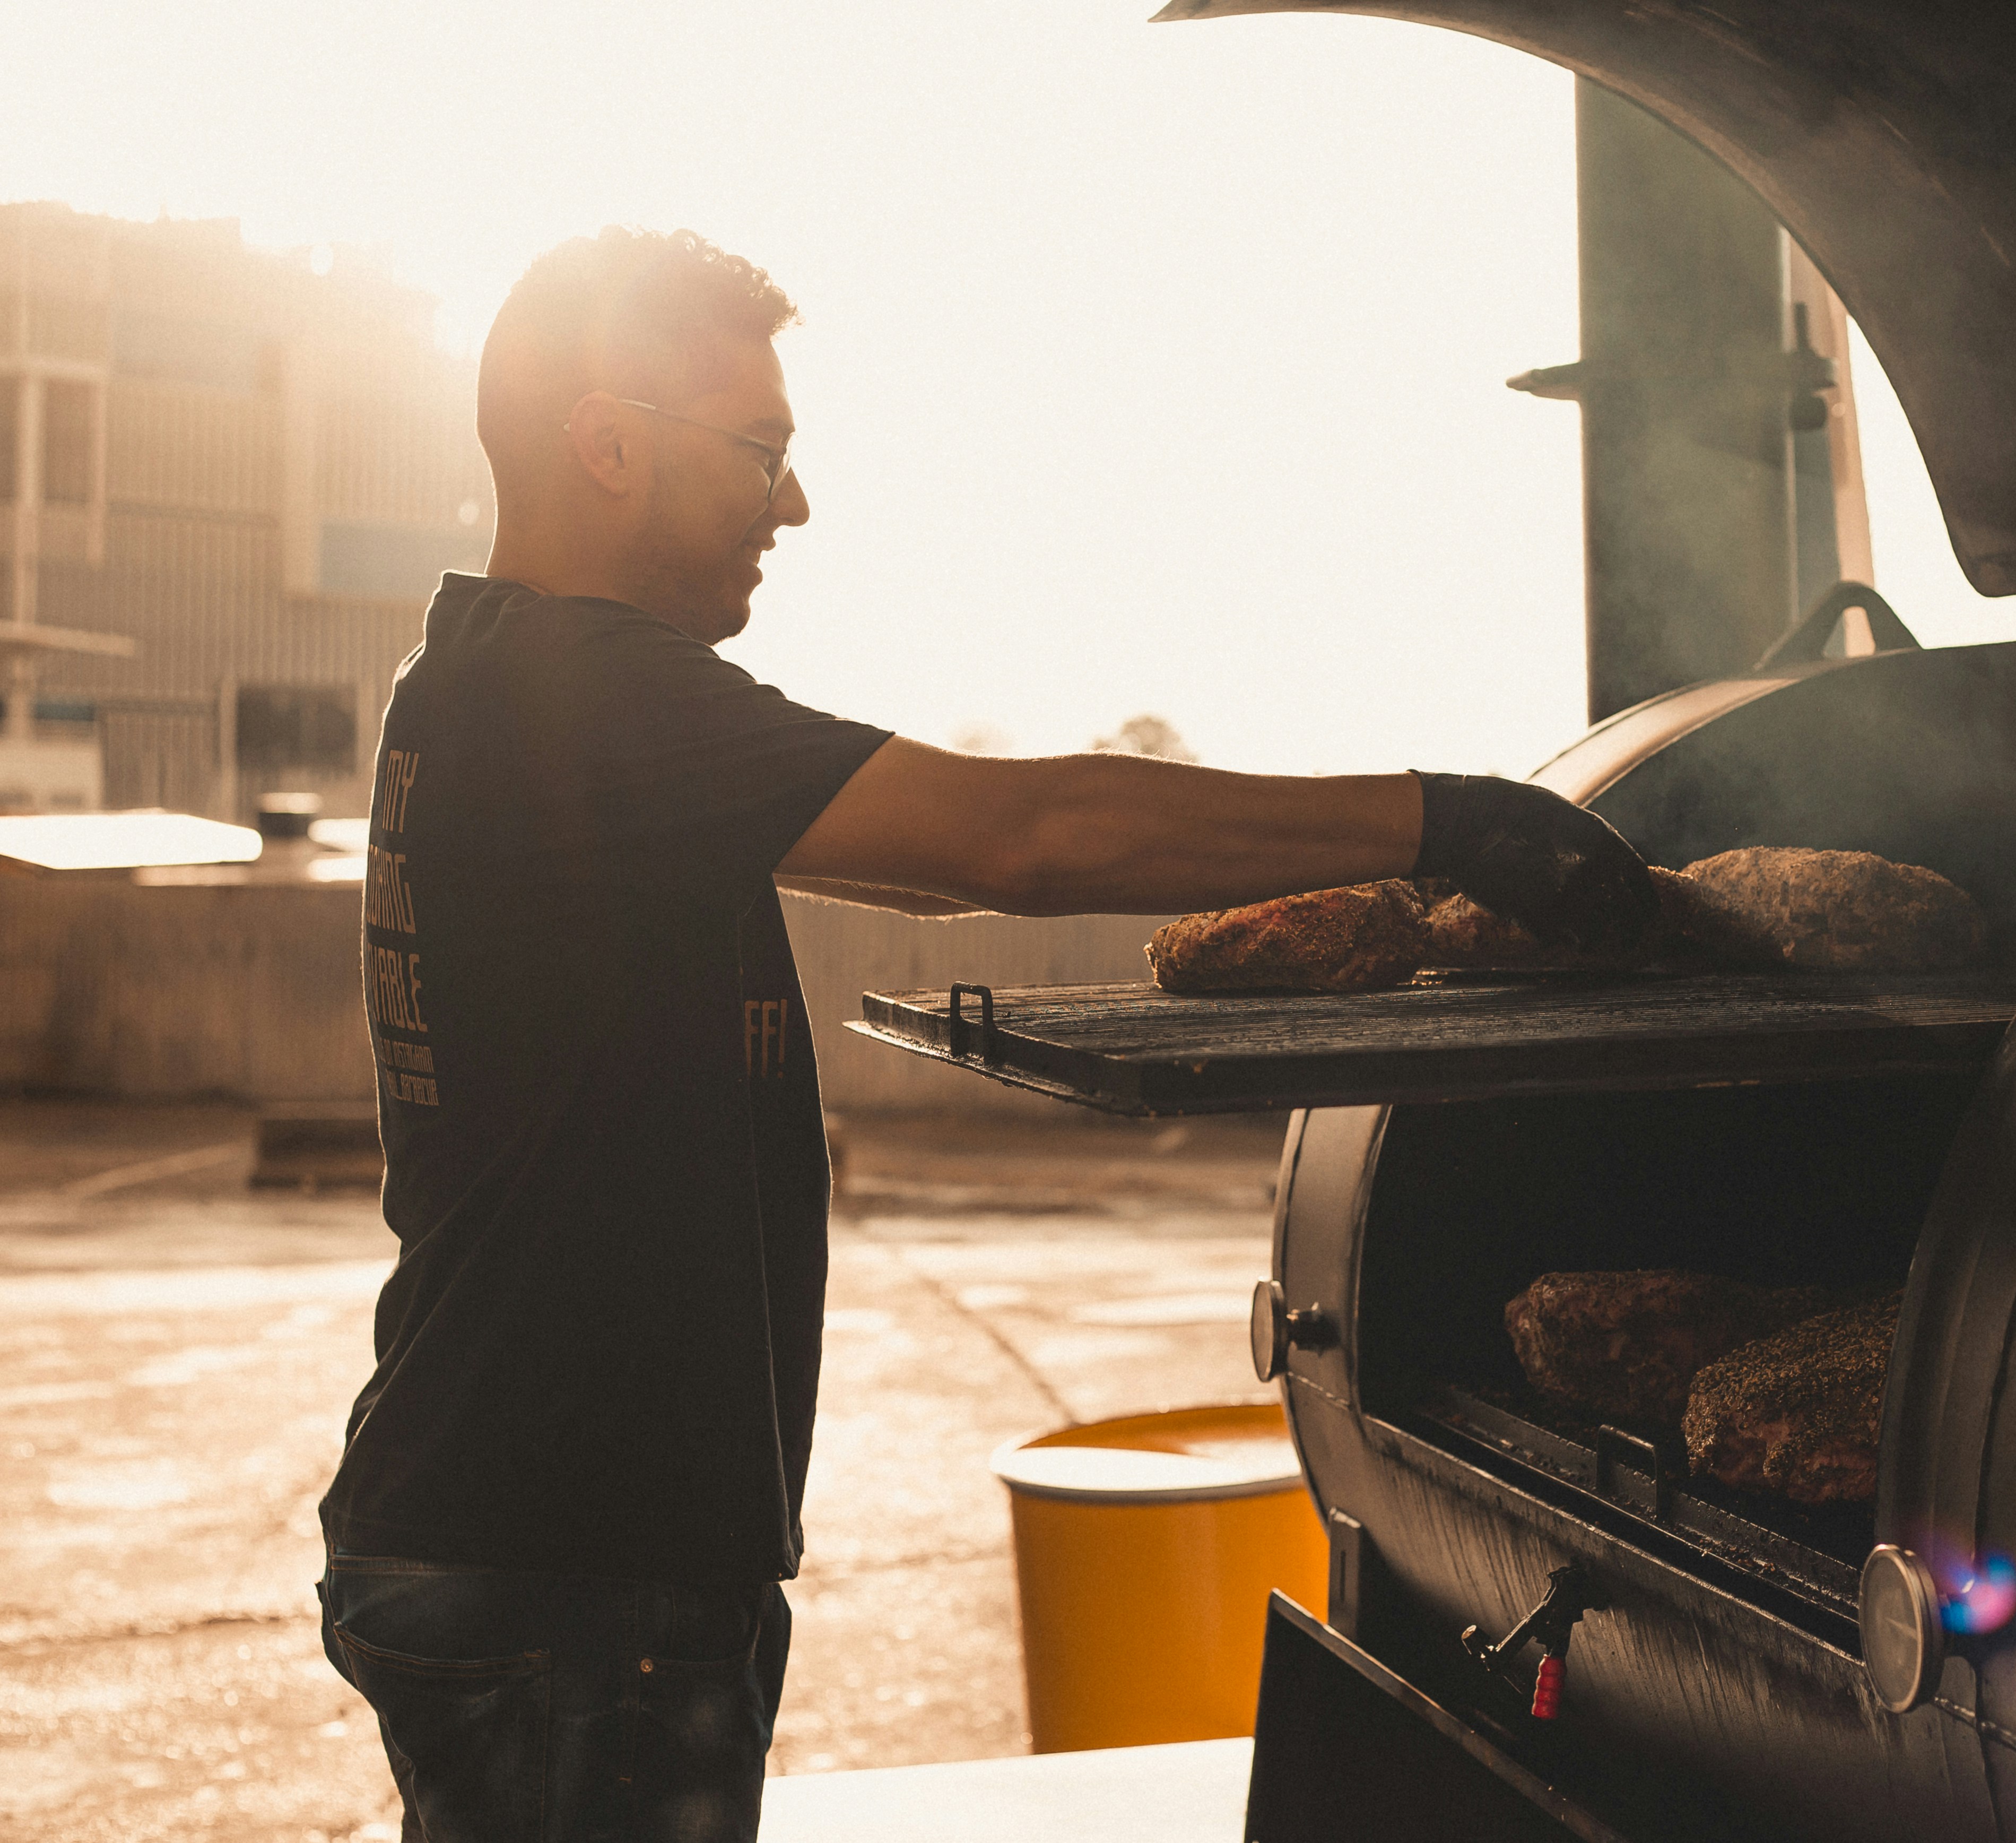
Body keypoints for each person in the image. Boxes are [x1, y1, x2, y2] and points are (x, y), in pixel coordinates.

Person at [315, 227, 1656, 1842]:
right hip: (570, 1568)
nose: (790, 504)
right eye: (763, 453)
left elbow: (940, 861)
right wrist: (1434, 820)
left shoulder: (489, 677)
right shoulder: (587, 695)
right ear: (607, 442)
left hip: (530, 1534)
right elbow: (1021, 838)